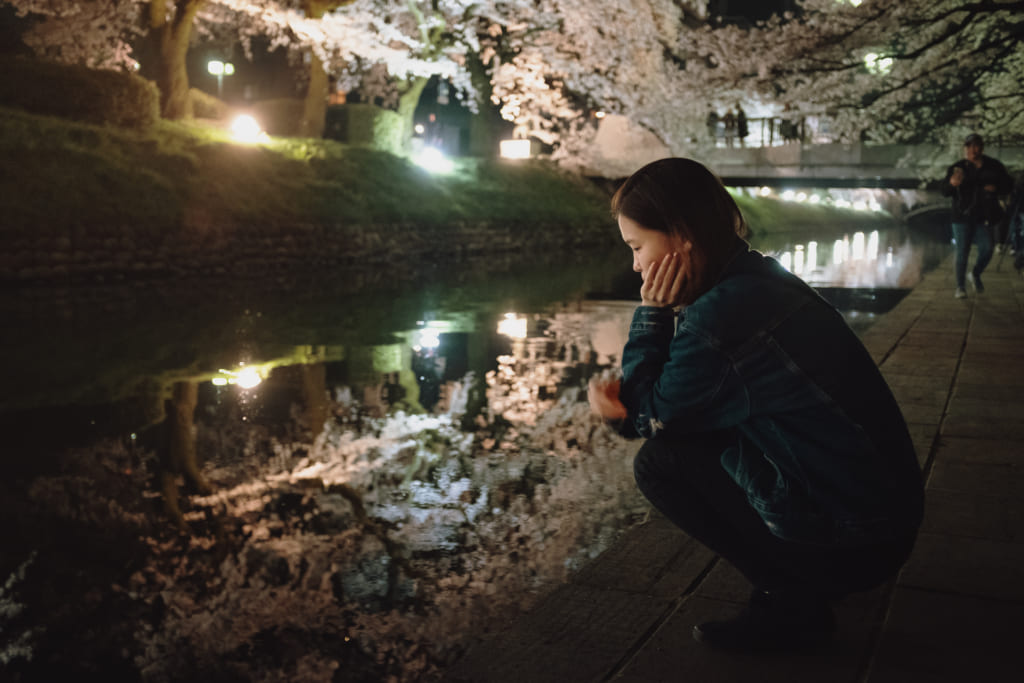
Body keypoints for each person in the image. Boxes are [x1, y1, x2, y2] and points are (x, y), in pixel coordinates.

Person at [587, 158, 923, 653]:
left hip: (858, 540)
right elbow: (672, 408)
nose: (636, 266)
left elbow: (648, 418)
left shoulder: (720, 316)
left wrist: (652, 316)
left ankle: (791, 602)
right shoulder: (758, 279)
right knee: (695, 434)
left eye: (637, 247)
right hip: (885, 519)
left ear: (682, 235)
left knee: (659, 464)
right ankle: (800, 583)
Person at [942, 133, 1013, 298]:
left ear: (982, 147)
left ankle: (975, 273)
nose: (973, 150)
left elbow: (1008, 185)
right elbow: (944, 190)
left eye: (976, 146)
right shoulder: (958, 167)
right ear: (965, 148)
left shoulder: (993, 166)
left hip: (984, 215)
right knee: (962, 251)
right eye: (970, 146)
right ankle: (960, 287)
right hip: (961, 216)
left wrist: (996, 188)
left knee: (988, 248)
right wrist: (952, 184)